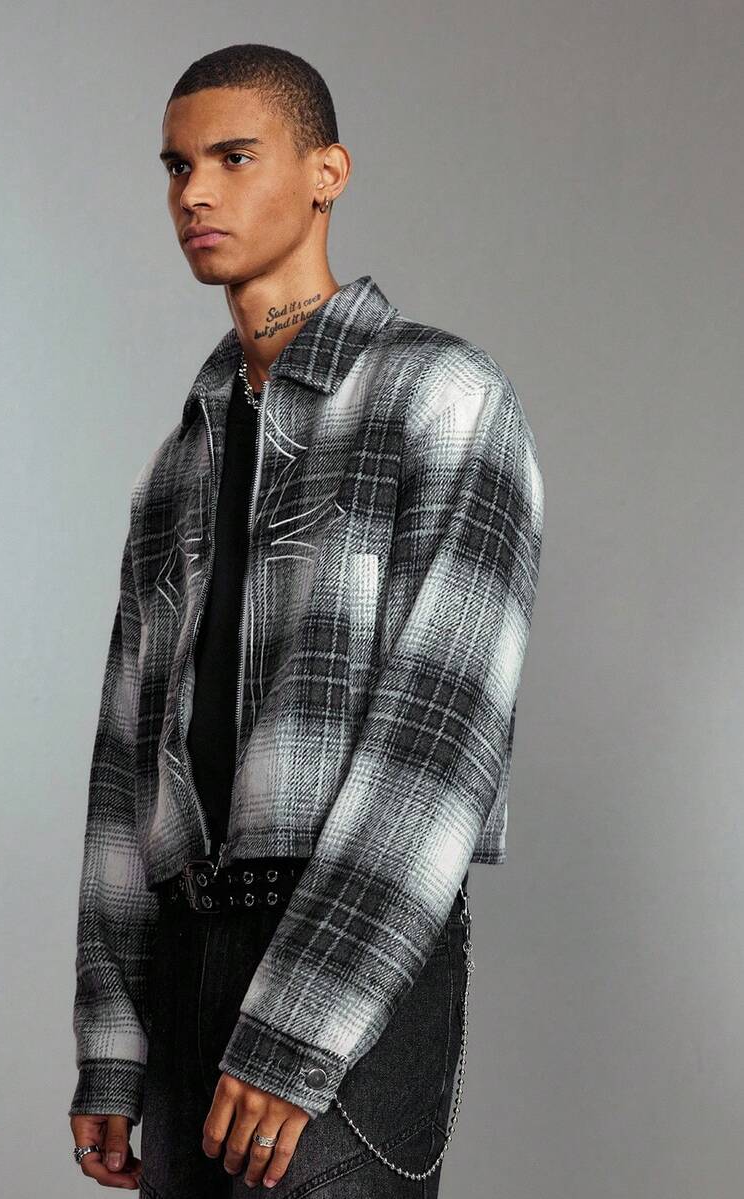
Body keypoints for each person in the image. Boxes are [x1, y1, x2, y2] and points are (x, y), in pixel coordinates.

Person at [68, 42, 544, 1197]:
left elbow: (441, 739)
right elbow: (124, 772)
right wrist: (112, 1041)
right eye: (177, 165)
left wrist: (305, 1018)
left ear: (327, 172)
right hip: (184, 959)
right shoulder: (176, 465)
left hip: (348, 943)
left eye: (234, 157)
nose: (196, 192)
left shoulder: (441, 395)